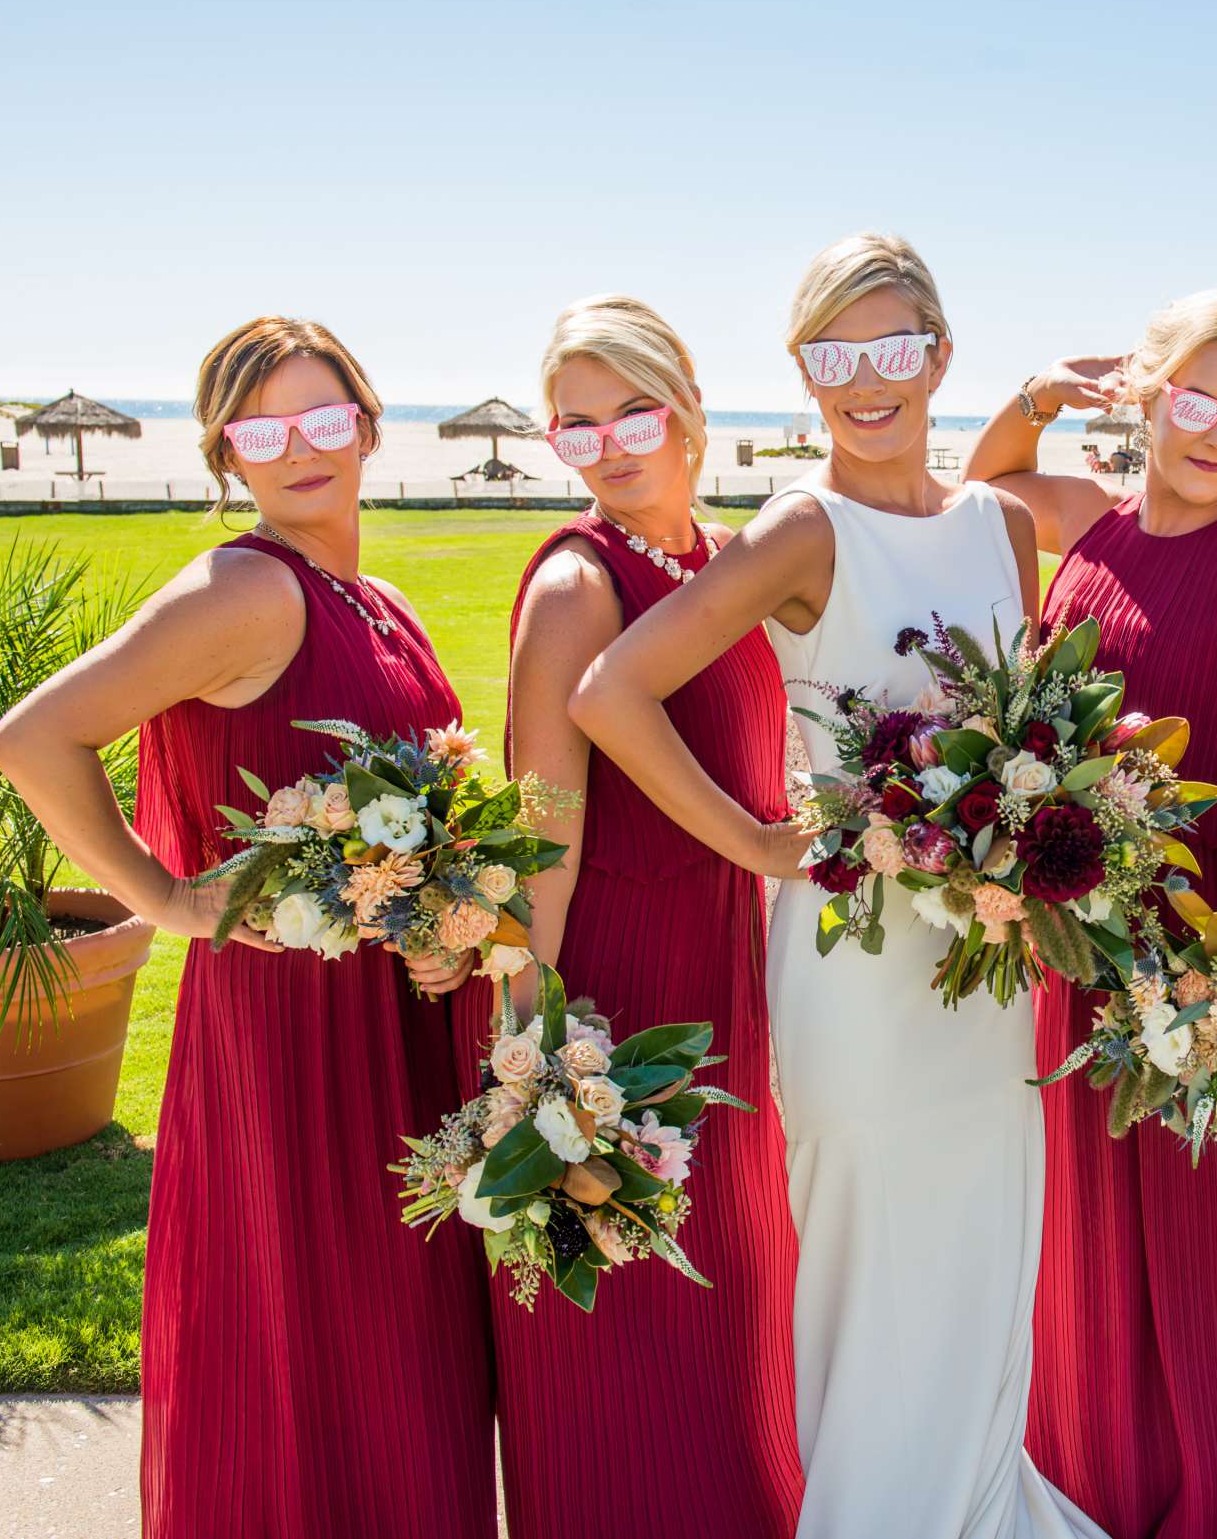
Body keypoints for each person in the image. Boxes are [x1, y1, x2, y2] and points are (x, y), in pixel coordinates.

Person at [567, 232, 1107, 1539]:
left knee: (980, 1252)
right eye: (834, 356)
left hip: (985, 968)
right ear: (804, 372)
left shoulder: (1000, 524)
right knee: (872, 1269)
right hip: (855, 965)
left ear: (941, 356)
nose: (867, 383)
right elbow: (608, 692)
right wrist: (759, 843)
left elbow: (1018, 713)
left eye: (894, 350)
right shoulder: (801, 528)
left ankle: (977, 1503)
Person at [0, 317, 494, 1538]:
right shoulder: (245, 589)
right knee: (322, 1340)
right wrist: (167, 897)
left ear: (369, 425)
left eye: (323, 418)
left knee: (402, 1346)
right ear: (228, 454)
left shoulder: (377, 600)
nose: (300, 449)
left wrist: (453, 931)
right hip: (296, 1035)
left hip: (398, 1018)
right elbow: (31, 739)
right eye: (261, 430)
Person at [964, 292, 1217, 1538]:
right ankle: (1099, 1497)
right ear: (1149, 396)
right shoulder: (1080, 521)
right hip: (1085, 938)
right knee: (1091, 1245)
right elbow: (983, 490)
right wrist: (1040, 391)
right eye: (1194, 398)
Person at [487, 294, 802, 1536]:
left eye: (634, 413)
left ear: (692, 414)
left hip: (727, 962)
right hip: (621, 985)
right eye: (578, 426)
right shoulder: (576, 586)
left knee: (729, 1296)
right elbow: (539, 837)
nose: (612, 445)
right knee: (630, 1305)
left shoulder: (728, 555)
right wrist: (533, 1053)